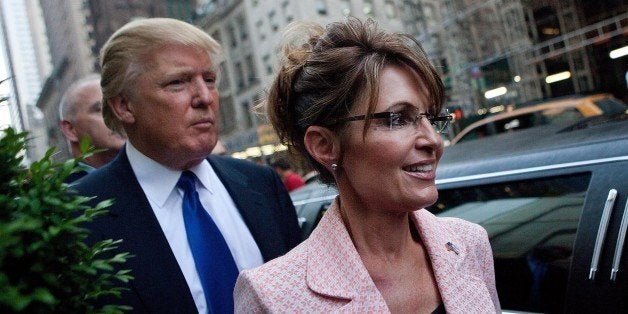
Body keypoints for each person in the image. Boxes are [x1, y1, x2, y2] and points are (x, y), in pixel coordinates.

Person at [234, 18, 500, 313]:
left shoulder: (468, 244)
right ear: (324, 145)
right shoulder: (274, 295)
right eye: (397, 119)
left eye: (432, 118)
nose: (433, 140)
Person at [73, 18, 302, 313]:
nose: (205, 97)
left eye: (209, 80)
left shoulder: (261, 184)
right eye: (177, 82)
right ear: (124, 105)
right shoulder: (81, 215)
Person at [59, 74, 125, 182]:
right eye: (100, 109)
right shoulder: (58, 193)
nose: (118, 114)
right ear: (70, 129)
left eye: (121, 105)